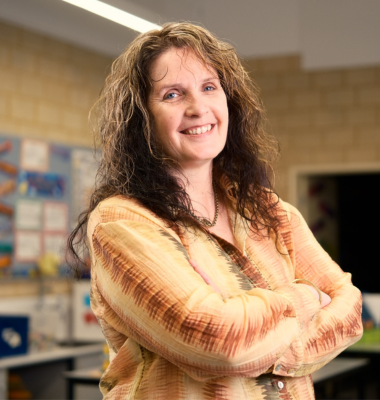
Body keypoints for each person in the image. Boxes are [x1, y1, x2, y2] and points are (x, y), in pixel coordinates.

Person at [68, 22, 363, 400]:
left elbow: (349, 311)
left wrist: (263, 348)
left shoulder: (269, 211)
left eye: (209, 87)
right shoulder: (122, 222)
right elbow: (216, 339)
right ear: (142, 119)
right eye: (173, 94)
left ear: (228, 102)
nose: (198, 108)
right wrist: (304, 299)